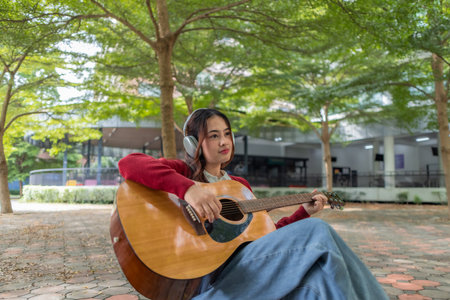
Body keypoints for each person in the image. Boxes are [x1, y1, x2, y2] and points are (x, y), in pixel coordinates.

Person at [118, 108, 388, 300]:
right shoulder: (183, 172)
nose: (224, 141)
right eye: (213, 135)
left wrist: (301, 214)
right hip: (207, 276)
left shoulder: (240, 186)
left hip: (251, 269)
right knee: (318, 232)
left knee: (318, 283)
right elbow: (128, 163)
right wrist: (188, 190)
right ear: (192, 144)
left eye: (227, 133)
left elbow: (264, 237)